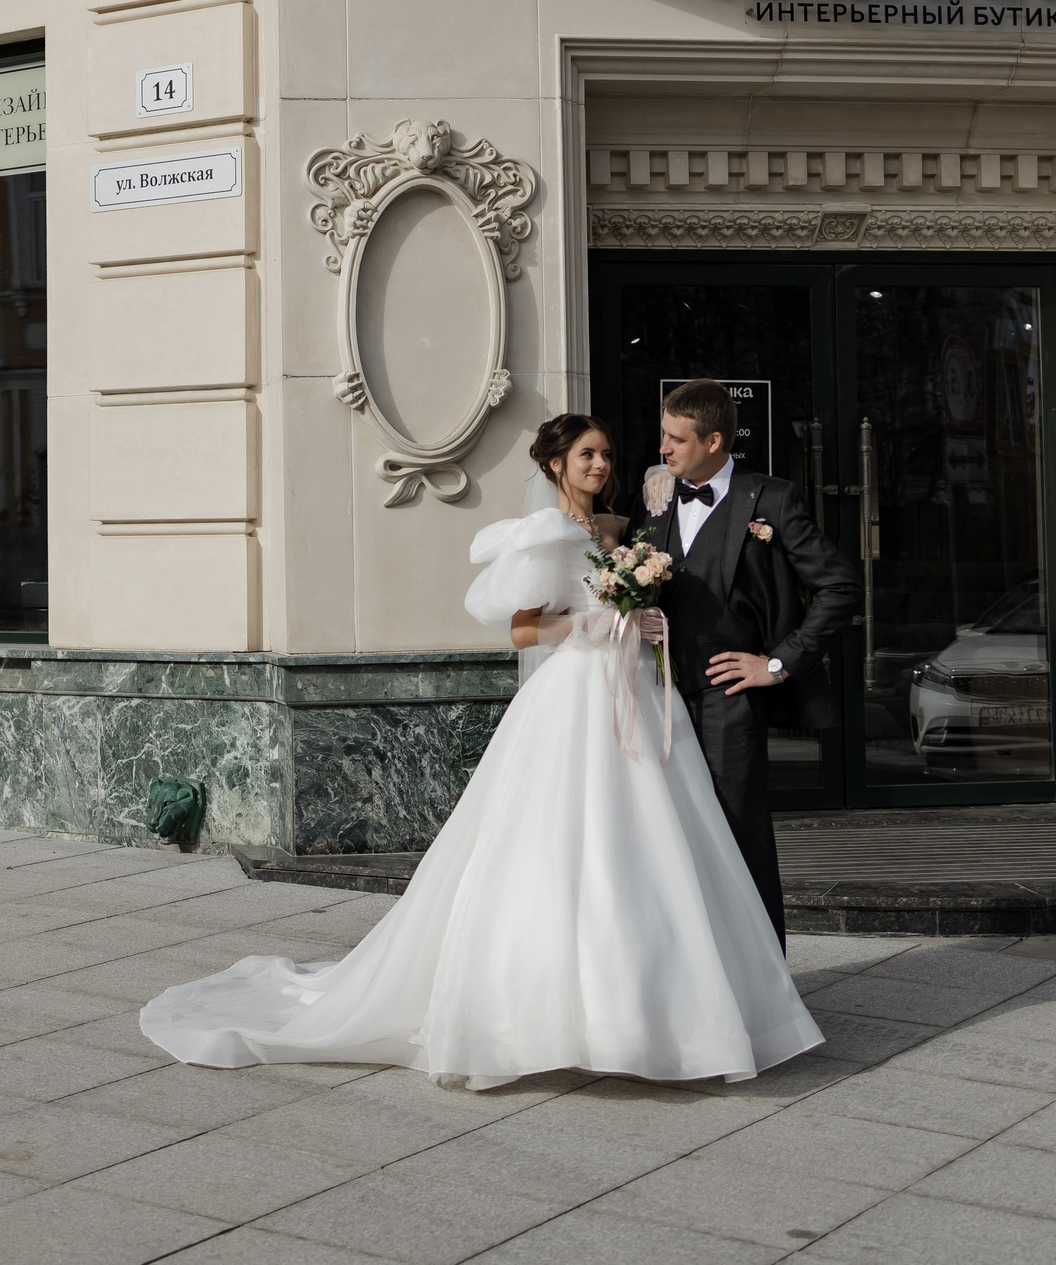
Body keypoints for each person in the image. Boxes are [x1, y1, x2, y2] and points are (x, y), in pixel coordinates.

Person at [138, 412, 823, 1090]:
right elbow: (524, 631)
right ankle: (539, 1012)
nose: (600, 465)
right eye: (587, 454)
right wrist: (599, 618)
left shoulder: (621, 530)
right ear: (555, 463)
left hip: (635, 692)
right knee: (558, 846)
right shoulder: (542, 533)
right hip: (573, 697)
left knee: (649, 845)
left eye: (607, 453)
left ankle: (658, 1004)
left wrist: (640, 618)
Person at [644, 379, 863, 948]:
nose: (663, 449)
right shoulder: (659, 496)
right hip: (659, 695)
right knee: (667, 839)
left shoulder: (771, 499)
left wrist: (777, 663)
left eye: (676, 439)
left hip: (729, 701)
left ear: (715, 439)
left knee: (739, 837)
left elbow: (840, 586)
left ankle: (765, 988)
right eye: (663, 436)